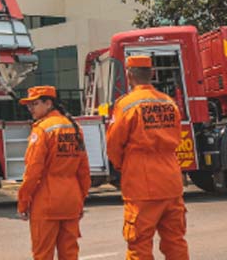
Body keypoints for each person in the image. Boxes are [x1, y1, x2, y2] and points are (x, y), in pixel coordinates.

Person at [106, 55, 189, 260]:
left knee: (139, 244)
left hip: (142, 183)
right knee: (175, 241)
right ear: (152, 74)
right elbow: (176, 137)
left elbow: (114, 144)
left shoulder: (126, 104)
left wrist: (122, 166)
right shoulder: (169, 103)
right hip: (171, 180)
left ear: (129, 75)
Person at [17, 85, 91, 259]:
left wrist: (23, 201)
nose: (30, 109)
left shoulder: (42, 129)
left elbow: (33, 171)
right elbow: (84, 171)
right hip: (71, 201)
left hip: (46, 203)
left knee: (43, 254)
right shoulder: (74, 128)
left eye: (34, 104)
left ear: (48, 103)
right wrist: (81, 199)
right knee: (70, 253)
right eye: (29, 105)